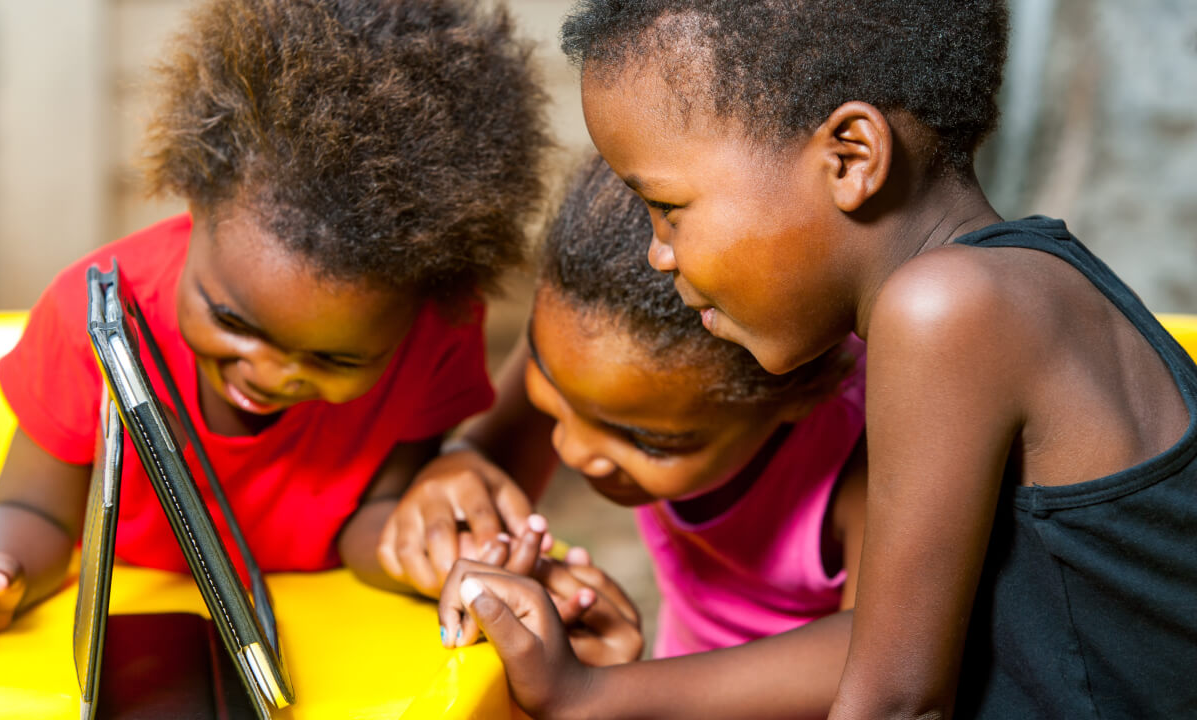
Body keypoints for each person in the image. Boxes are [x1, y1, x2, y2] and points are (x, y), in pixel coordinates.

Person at [445, 1, 1197, 718]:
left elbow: (896, 704)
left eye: (669, 209)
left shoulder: (947, 308)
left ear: (850, 157)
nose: (658, 253)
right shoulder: (1021, 280)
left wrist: (589, 699)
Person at [0, 0, 549, 650]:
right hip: (139, 629)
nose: (268, 373)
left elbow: (370, 518)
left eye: (335, 360)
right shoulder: (96, 316)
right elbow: (32, 511)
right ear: (197, 193)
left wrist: (423, 552)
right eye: (230, 319)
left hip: (336, 639)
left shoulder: (433, 332)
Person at [389, 154, 869, 711]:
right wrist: (460, 473)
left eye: (648, 442)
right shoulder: (585, 356)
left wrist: (600, 695)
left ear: (799, 398)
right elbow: (490, 467)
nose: (575, 451)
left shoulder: (867, 438)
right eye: (552, 393)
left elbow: (877, 656)